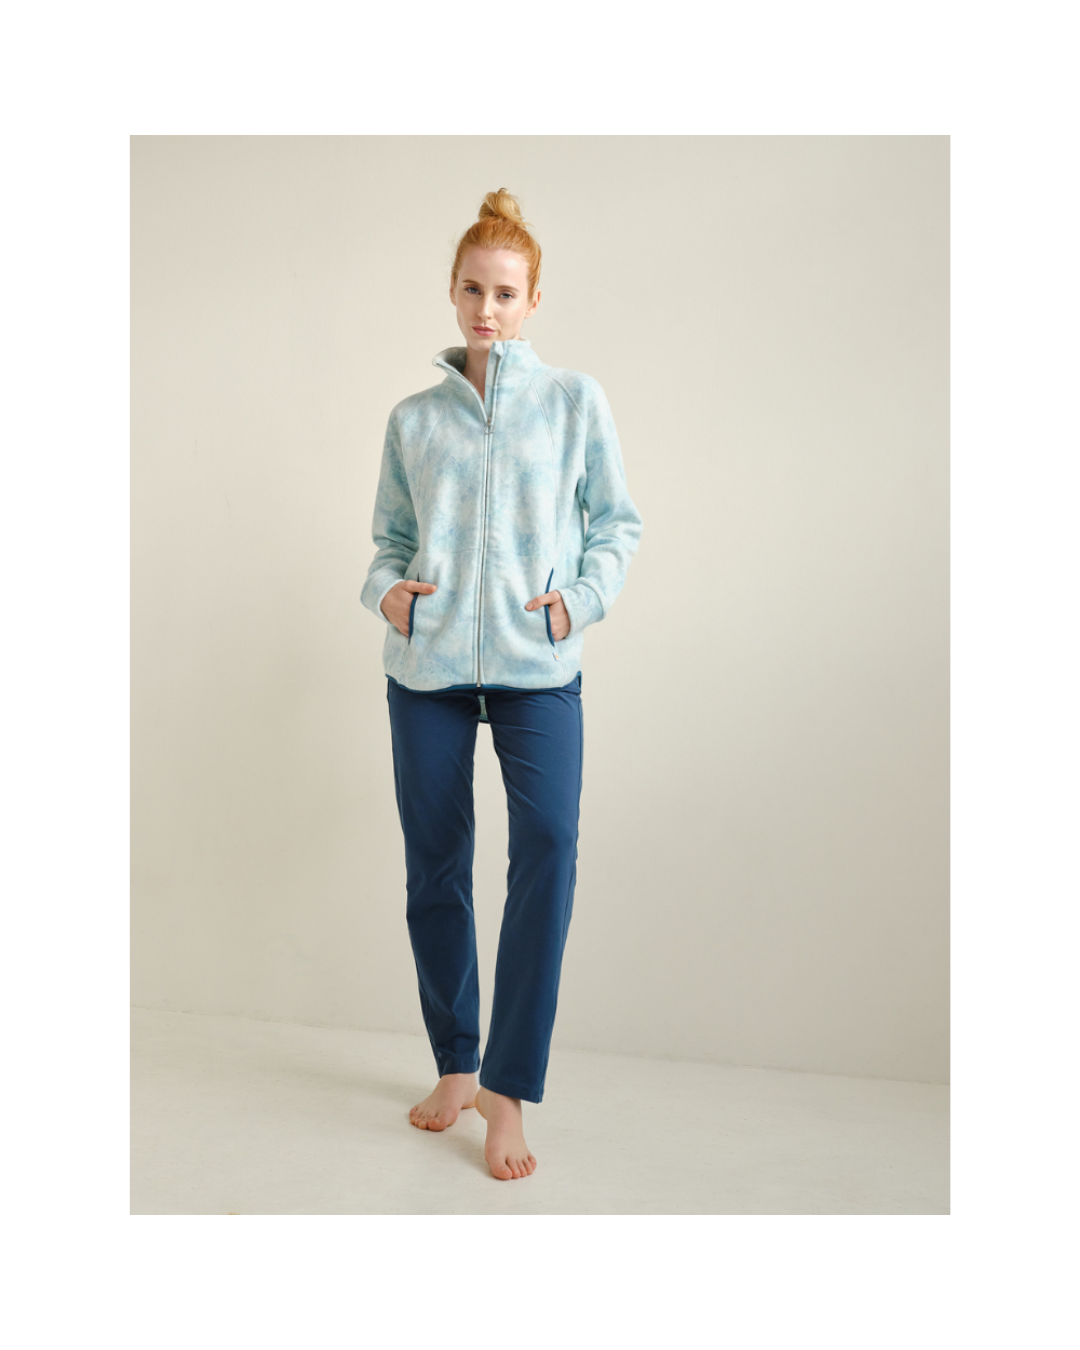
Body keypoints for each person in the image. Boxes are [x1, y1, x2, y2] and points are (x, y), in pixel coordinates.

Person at [361, 189, 643, 1180]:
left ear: (534, 301)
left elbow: (618, 524)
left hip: (537, 669)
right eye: (473, 290)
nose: (488, 308)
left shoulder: (575, 403)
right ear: (452, 293)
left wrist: (578, 603)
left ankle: (508, 1093)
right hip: (427, 670)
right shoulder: (413, 420)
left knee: (549, 852)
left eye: (506, 293)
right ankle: (456, 1064)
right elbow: (388, 540)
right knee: (436, 867)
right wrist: (387, 594)